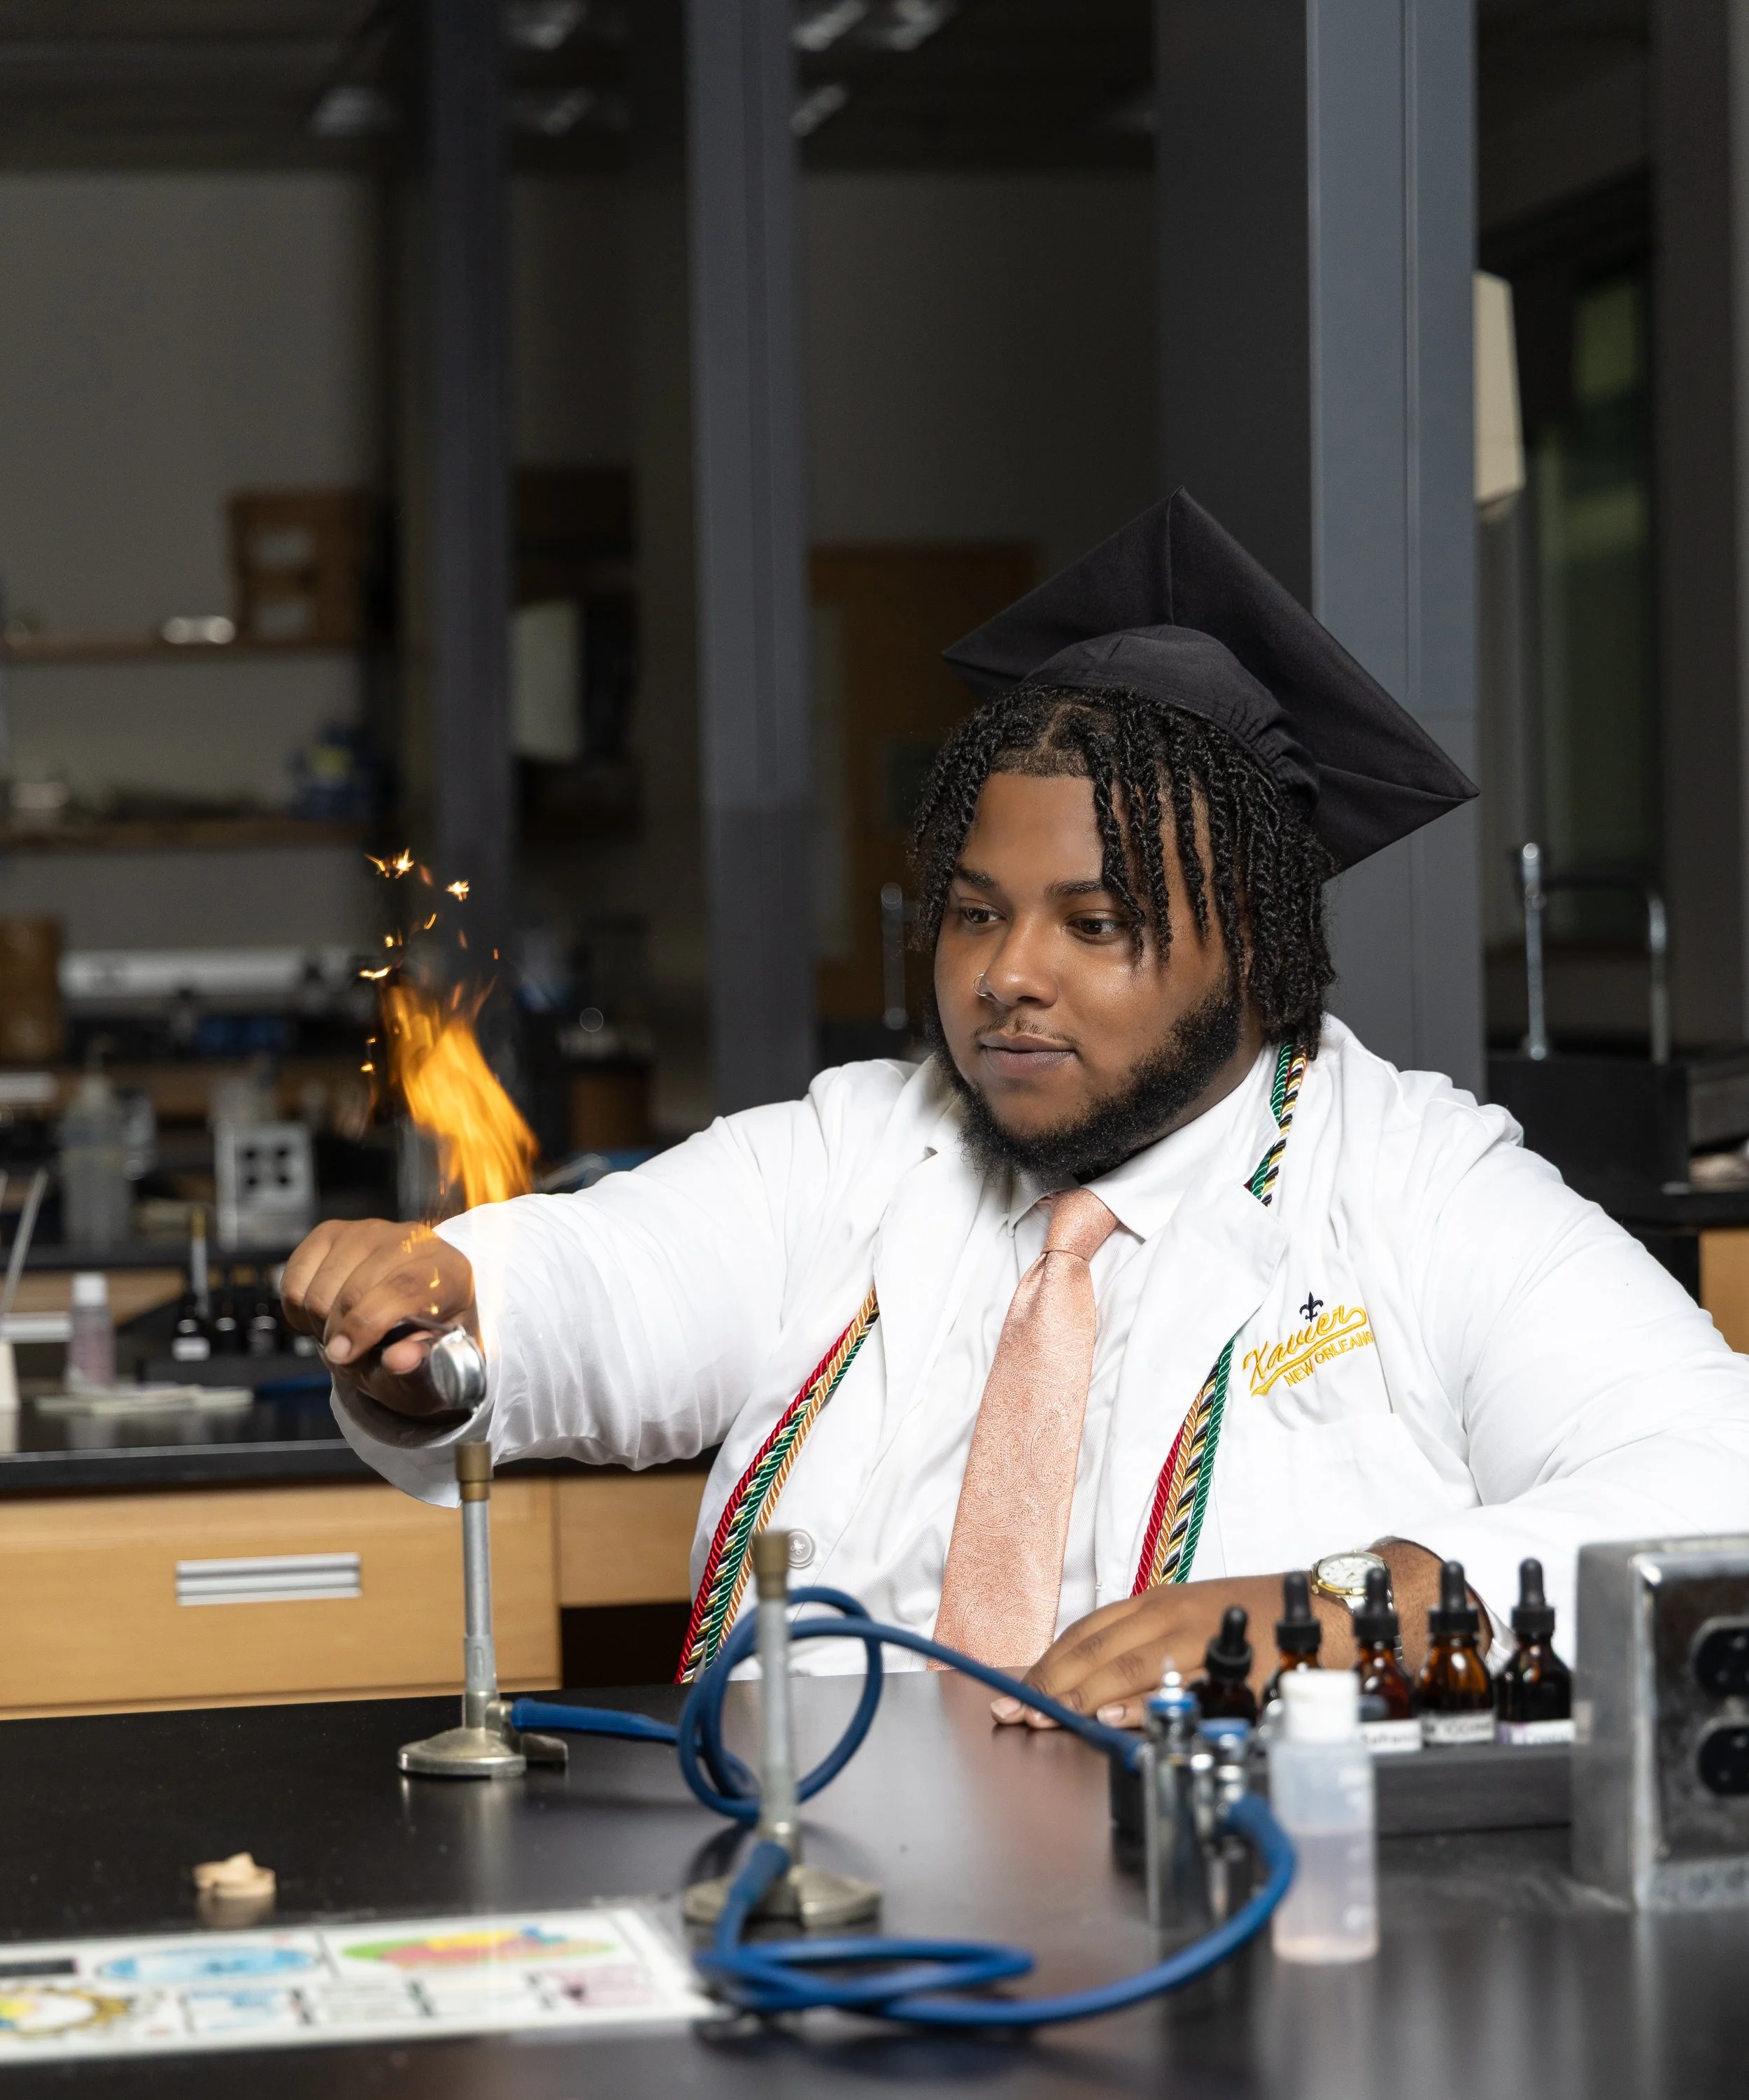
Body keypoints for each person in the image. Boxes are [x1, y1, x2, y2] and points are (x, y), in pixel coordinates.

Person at [284, 491, 1749, 1727]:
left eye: (1092, 923)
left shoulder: (1419, 1183)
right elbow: (607, 1280)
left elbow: (1710, 1488)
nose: (1002, 978)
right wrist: (442, 1304)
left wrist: (1333, 1608)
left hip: (1241, 1947)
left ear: (1251, 935)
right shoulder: (860, 1144)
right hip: (828, 1897)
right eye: (974, 914)